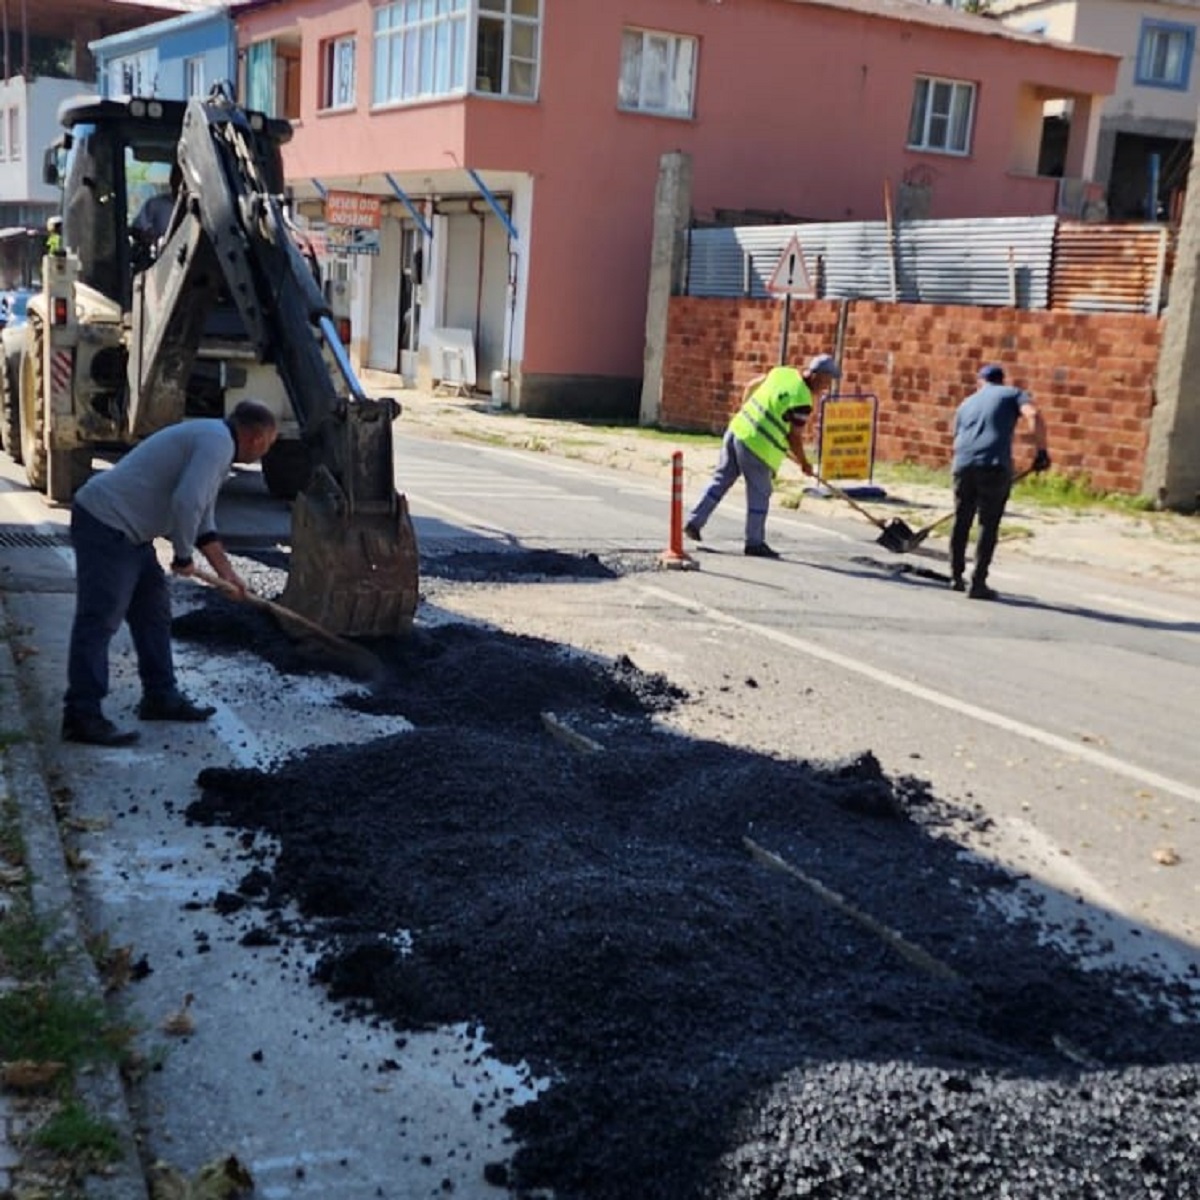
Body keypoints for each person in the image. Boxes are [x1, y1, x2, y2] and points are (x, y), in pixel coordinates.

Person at [62, 400, 279, 746]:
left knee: (153, 614)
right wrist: (181, 555)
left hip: (133, 535)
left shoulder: (218, 444)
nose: (268, 449)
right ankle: (81, 716)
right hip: (106, 524)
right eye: (270, 441)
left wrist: (229, 575)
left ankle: (160, 697)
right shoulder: (217, 442)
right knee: (100, 620)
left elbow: (203, 517)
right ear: (255, 437)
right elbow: (186, 502)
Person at [684, 353, 841, 558]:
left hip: (737, 430)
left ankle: (694, 521)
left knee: (721, 479)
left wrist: (746, 415)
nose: (826, 387)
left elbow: (750, 386)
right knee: (760, 492)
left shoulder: (783, 372)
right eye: (827, 381)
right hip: (757, 446)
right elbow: (794, 437)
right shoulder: (802, 400)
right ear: (816, 375)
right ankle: (755, 543)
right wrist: (804, 462)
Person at [949, 363, 1050, 601]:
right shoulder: (1013, 393)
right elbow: (1032, 414)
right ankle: (978, 582)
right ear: (1001, 380)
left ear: (979, 382)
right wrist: (1042, 452)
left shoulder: (966, 403)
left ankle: (955, 576)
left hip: (963, 463)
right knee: (988, 522)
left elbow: (956, 435)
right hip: (993, 465)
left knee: (962, 518)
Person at [132, 162, 183, 255]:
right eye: (177, 178)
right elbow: (136, 230)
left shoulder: (201, 207)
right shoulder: (156, 204)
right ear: (171, 180)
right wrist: (149, 237)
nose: (180, 184)